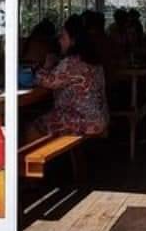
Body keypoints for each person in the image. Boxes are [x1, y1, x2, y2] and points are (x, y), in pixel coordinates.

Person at [26, 14, 109, 142]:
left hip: (83, 120)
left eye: (63, 36)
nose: (59, 40)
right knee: (49, 118)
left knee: (33, 128)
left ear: (73, 41)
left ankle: (31, 156)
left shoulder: (72, 62)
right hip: (100, 118)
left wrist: (42, 67)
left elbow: (48, 81)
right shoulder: (94, 61)